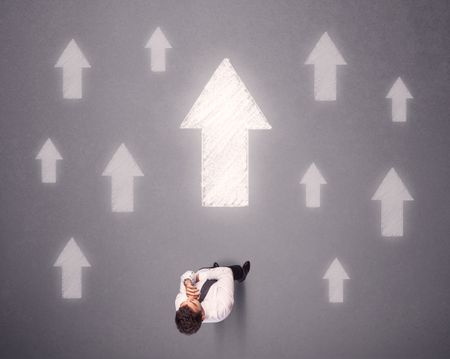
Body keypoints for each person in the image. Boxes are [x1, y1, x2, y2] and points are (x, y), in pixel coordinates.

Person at [174, 261, 250, 335]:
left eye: (185, 302)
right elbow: (226, 272)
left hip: (204, 272)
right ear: (202, 316)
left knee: (211, 270)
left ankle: (215, 269)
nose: (189, 298)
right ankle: (242, 275)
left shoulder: (180, 307)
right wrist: (199, 277)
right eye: (193, 303)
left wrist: (187, 282)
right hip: (219, 281)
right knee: (235, 270)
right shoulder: (222, 307)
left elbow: (186, 276)